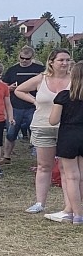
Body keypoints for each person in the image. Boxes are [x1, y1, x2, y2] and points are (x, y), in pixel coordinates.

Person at [15, 49, 73, 219]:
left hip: (67, 128)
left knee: (65, 168)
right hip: (42, 126)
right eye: (61, 60)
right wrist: (34, 101)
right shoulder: (41, 78)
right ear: (51, 62)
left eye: (68, 60)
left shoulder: (75, 79)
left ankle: (69, 206)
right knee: (43, 166)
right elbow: (19, 90)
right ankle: (40, 203)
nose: (65, 63)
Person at [49, 61, 83, 226]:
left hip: (68, 136)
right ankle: (73, 210)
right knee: (81, 177)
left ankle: (77, 214)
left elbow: (53, 120)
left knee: (71, 177)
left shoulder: (63, 96)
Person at [2, 47, 42, 162]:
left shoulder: (40, 70)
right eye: (22, 58)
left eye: (27, 58)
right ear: (18, 56)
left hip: (34, 106)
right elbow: (2, 85)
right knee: (11, 133)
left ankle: (40, 160)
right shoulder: (12, 70)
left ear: (32, 57)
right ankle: (6, 157)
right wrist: (9, 88)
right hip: (15, 106)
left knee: (37, 133)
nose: (24, 60)